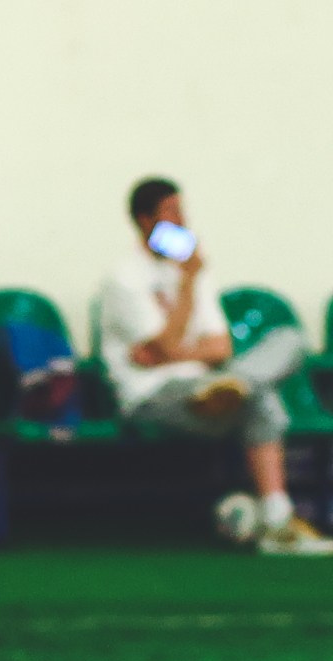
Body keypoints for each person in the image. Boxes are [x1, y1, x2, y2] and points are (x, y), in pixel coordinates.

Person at [98, 177, 331, 555]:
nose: (183, 220)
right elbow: (167, 345)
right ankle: (277, 523)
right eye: (172, 212)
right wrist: (188, 289)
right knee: (261, 400)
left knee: (291, 341)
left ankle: (238, 386)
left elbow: (219, 347)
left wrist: (175, 351)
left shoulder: (193, 270)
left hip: (211, 388)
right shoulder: (124, 279)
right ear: (144, 220)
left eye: (182, 210)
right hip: (154, 395)